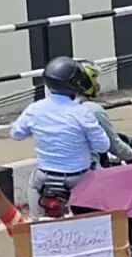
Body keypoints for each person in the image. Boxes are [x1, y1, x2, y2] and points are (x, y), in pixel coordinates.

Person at [9, 56, 111, 208]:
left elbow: (16, 134)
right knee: (101, 206)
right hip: (81, 177)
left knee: (33, 186)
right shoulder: (82, 112)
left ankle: (37, 220)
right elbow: (103, 146)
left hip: (45, 177)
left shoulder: (34, 110)